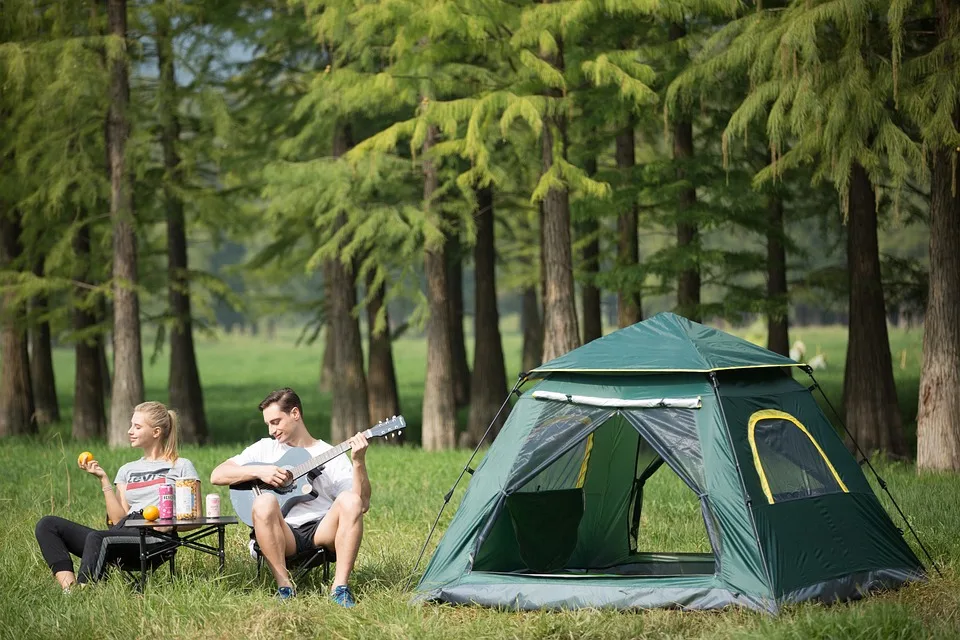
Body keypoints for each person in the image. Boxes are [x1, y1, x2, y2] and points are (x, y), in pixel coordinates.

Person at [210, 388, 369, 606]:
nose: (271, 430)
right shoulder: (265, 449)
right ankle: (285, 588)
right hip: (283, 533)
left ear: (295, 414)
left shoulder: (328, 452)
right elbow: (217, 475)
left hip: (321, 529)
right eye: (268, 424)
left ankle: (339, 588)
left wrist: (359, 462)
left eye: (275, 422)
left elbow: (361, 503)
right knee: (264, 501)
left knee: (351, 501)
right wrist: (259, 471)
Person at [35, 401, 199, 590]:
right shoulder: (126, 470)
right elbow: (118, 519)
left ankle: (85, 590)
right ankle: (70, 590)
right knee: (47, 524)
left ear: (156, 432)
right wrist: (103, 479)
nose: (130, 431)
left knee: (97, 538)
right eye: (131, 425)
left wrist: (171, 524)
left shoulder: (181, 465)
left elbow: (195, 519)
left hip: (156, 539)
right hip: (123, 531)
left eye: (137, 427)